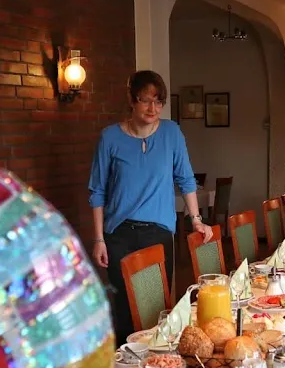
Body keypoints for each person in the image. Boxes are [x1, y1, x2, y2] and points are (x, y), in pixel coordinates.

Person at [88, 70, 213, 344]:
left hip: (157, 232)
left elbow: (185, 178)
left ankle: (155, 364)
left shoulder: (171, 133)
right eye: (145, 101)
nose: (152, 108)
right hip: (118, 234)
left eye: (158, 102)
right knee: (123, 309)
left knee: (155, 308)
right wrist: (98, 239)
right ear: (132, 100)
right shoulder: (110, 138)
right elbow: (97, 191)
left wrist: (196, 219)